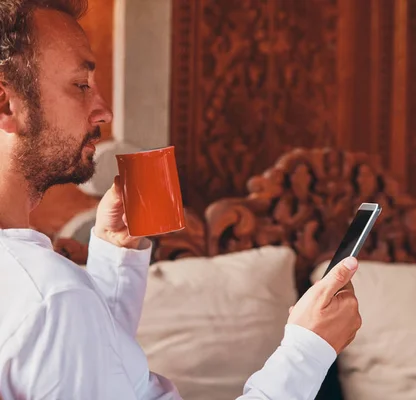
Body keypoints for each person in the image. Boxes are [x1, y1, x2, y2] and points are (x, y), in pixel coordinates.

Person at [0, 1, 362, 399]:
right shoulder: (50, 297)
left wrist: (115, 258)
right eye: (81, 85)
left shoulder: (42, 295)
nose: (103, 111)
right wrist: (308, 349)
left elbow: (98, 369)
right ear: (6, 103)